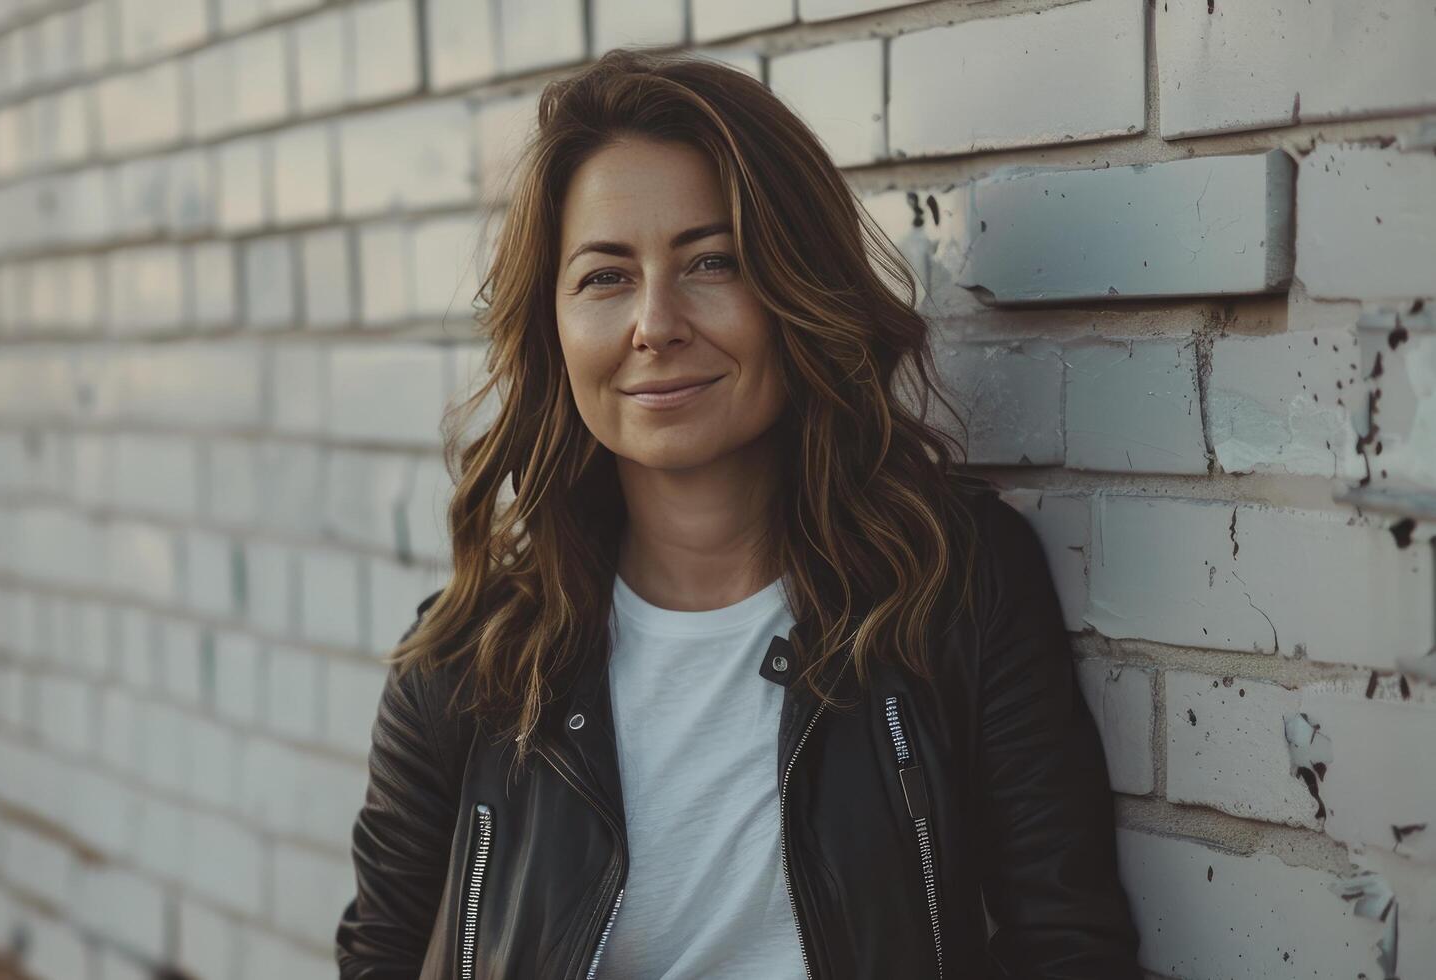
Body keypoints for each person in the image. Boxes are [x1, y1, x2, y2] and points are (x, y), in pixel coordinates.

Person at [334, 48, 1140, 980]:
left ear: (797, 289)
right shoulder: (465, 662)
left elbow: (1069, 946)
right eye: (604, 276)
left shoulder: (949, 584)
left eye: (711, 261)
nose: (656, 322)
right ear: (551, 330)